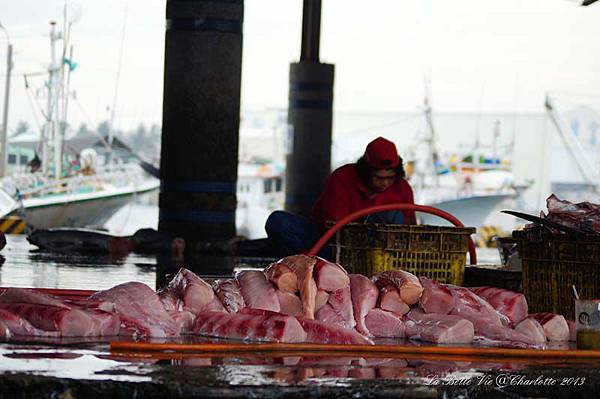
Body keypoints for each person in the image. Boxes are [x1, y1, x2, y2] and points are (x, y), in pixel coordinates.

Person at [262, 136, 415, 257]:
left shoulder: (402, 188)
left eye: (390, 178)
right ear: (366, 172)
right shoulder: (342, 178)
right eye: (379, 178)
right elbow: (333, 225)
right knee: (279, 221)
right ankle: (302, 266)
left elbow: (411, 228)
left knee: (394, 215)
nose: (385, 183)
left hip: (381, 254)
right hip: (333, 246)